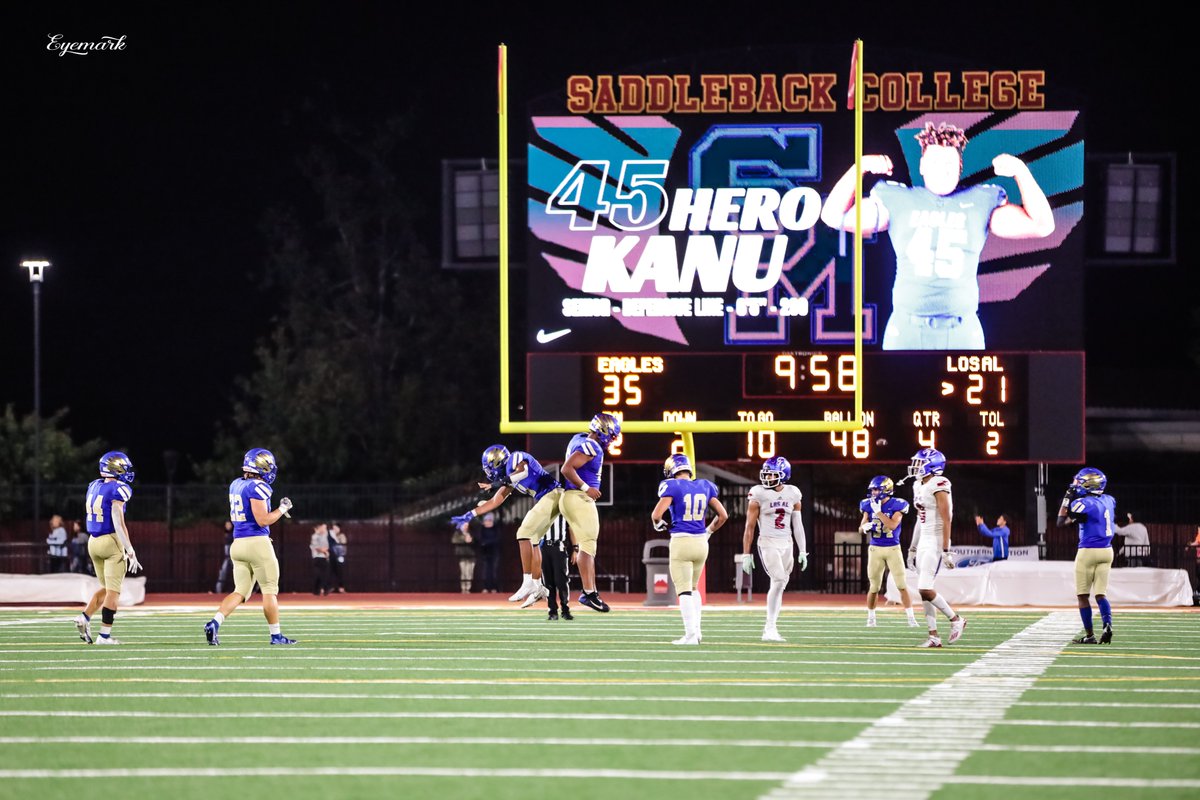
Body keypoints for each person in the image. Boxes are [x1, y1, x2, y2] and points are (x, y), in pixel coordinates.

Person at [821, 121, 1055, 350]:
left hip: (961, 331)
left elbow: (1042, 225)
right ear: (922, 165)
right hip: (906, 330)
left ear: (960, 167)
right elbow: (832, 216)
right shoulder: (898, 200)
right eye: (934, 161)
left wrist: (1021, 172)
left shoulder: (980, 201)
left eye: (949, 163)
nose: (942, 169)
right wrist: (859, 167)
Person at [203, 448, 297, 646]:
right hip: (257, 544)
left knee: (240, 591)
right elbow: (263, 520)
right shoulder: (259, 486)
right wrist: (283, 508)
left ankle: (214, 623)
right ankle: (276, 636)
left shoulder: (236, 484)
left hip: (238, 544)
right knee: (269, 590)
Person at [449, 444, 558, 609]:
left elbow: (523, 472)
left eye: (489, 467)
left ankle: (528, 582)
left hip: (553, 494)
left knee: (523, 533)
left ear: (497, 461)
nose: (489, 472)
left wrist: (496, 484)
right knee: (534, 541)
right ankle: (538, 587)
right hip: (548, 498)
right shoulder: (509, 476)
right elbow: (495, 501)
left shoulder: (515, 458)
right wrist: (470, 515)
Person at [651, 454, 728, 645]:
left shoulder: (672, 486)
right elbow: (723, 515)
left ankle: (690, 635)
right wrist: (708, 531)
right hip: (701, 543)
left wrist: (658, 524)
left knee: (684, 591)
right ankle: (697, 632)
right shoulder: (704, 485)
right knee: (693, 588)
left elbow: (656, 515)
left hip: (681, 541)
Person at [74, 452, 142, 645]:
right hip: (110, 542)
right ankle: (104, 636)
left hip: (93, 542)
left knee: (106, 588)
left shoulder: (94, 485)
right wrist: (130, 550)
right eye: (124, 467)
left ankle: (84, 617)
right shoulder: (118, 489)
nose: (127, 471)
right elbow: (118, 523)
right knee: (113, 592)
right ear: (115, 468)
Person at [740, 456, 809, 641]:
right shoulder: (758, 493)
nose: (767, 478)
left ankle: (772, 627)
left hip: (787, 543)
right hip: (768, 542)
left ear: (783, 475)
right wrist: (746, 554)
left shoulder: (793, 493)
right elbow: (749, 526)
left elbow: (798, 524)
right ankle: (769, 628)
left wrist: (802, 550)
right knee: (778, 580)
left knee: (780, 585)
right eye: (766, 474)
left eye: (772, 474)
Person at [905, 447, 967, 648]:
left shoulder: (940, 483)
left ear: (932, 465)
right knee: (924, 591)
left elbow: (947, 518)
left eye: (919, 463)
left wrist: (946, 550)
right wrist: (912, 548)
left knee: (925, 588)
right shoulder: (918, 485)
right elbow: (920, 518)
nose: (915, 466)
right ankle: (933, 636)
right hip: (924, 540)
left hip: (936, 541)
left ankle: (956, 619)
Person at [561, 412, 621, 613]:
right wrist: (587, 488)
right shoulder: (592, 446)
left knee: (585, 546)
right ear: (603, 431)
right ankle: (589, 593)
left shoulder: (578, 438)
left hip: (570, 497)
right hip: (580, 497)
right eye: (611, 435)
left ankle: (590, 591)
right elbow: (566, 469)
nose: (611, 440)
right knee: (588, 546)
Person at [1056, 467, 1116, 645]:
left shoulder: (1084, 503)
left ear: (1089, 484)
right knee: (1101, 595)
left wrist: (1068, 496)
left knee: (1083, 596)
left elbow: (1060, 521)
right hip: (1107, 551)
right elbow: (1088, 517)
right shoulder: (1110, 500)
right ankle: (1107, 624)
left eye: (1079, 482)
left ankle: (1090, 635)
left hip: (1088, 551)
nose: (1076, 484)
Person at [859, 476, 918, 628]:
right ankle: (871, 618)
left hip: (893, 548)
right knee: (874, 587)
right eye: (872, 489)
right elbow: (861, 527)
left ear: (886, 490)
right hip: (875, 549)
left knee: (901, 585)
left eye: (876, 489)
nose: (873, 492)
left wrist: (878, 512)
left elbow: (892, 525)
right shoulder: (867, 504)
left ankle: (911, 618)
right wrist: (864, 528)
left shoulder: (898, 504)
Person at [540, 517, 575, 620]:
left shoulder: (563, 512)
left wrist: (575, 548)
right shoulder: (541, 511)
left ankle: (565, 609)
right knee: (547, 582)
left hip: (559, 547)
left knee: (561, 581)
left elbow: (571, 528)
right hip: (544, 547)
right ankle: (552, 611)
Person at [476, 512, 502, 593]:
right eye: (486, 521)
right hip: (484, 553)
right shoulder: (482, 529)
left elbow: (497, 540)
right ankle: (485, 587)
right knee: (485, 571)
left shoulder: (496, 529)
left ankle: (494, 588)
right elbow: (479, 539)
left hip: (494, 553)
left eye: (489, 520)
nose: (487, 522)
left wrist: (486, 543)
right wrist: (484, 543)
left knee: (494, 571)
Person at [452, 520, 476, 593]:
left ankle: (468, 588)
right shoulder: (457, 533)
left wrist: (471, 540)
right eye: (464, 525)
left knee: (470, 572)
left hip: (471, 556)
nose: (466, 526)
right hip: (462, 556)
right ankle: (463, 588)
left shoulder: (471, 533)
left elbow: (476, 541)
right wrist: (464, 539)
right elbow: (454, 540)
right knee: (463, 572)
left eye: (467, 525)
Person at [213, 520, 235, 594]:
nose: (228, 526)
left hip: (233, 556)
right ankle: (218, 590)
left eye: (229, 524)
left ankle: (237, 590)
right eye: (227, 525)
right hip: (227, 557)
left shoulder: (233, 534)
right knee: (223, 572)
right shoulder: (226, 534)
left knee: (235, 572)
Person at [310, 522, 331, 596]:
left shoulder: (324, 536)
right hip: (317, 557)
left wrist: (325, 551)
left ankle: (322, 590)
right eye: (323, 528)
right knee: (319, 574)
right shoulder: (315, 536)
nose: (325, 529)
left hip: (323, 557)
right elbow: (316, 548)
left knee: (324, 574)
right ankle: (318, 590)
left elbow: (327, 546)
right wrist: (325, 551)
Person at [328, 522, 348, 592]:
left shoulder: (341, 535)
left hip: (339, 556)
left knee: (340, 571)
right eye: (333, 528)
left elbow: (343, 544)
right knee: (330, 571)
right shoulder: (330, 536)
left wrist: (335, 539)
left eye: (336, 528)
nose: (335, 529)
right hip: (331, 555)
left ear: (339, 529)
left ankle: (341, 588)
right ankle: (329, 587)